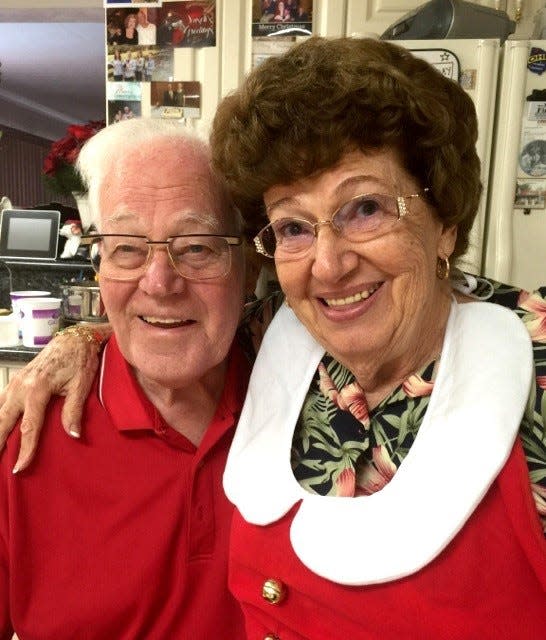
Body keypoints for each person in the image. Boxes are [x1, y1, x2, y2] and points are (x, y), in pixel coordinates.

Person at [0, 37, 545, 638]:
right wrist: (80, 336)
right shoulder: (278, 341)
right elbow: (162, 316)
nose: (329, 265)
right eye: (292, 227)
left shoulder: (531, 372)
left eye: (365, 208)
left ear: (444, 221)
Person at [0, 118, 248, 638]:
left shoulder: (315, 407)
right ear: (99, 263)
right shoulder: (26, 438)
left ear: (247, 260)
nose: (159, 283)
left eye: (197, 247)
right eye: (127, 248)